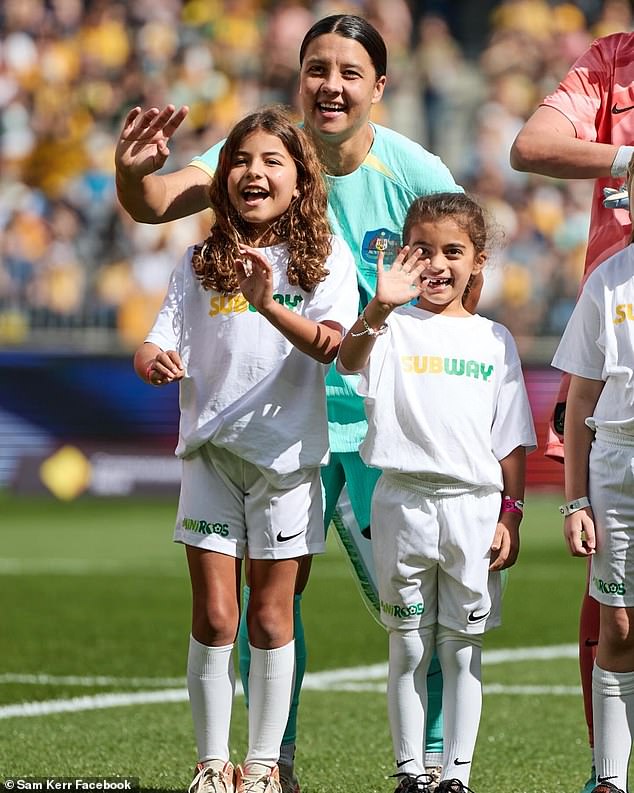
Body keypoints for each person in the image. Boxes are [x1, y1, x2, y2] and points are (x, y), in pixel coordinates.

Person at [116, 14, 464, 790]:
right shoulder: (254, 154)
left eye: (348, 71)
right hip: (287, 425)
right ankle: (275, 763)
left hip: (383, 420)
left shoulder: (416, 170)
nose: (331, 85)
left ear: (380, 85)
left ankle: (436, 762)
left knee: (413, 600)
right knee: (276, 603)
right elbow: (154, 200)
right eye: (317, 69)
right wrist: (136, 172)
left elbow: (463, 269)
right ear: (298, 78)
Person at [133, 105, 359, 793]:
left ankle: (260, 766)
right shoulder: (200, 260)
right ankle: (210, 765)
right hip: (209, 455)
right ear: (224, 175)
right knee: (215, 613)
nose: (252, 172)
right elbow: (154, 340)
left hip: (286, 462)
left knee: (268, 612)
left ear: (300, 180)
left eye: (271, 161)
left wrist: (268, 304)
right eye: (240, 160)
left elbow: (336, 345)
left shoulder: (325, 260)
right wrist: (152, 360)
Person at [337, 192, 537, 793]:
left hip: (474, 508)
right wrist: (377, 306)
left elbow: (512, 442)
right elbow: (348, 361)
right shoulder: (390, 326)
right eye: (423, 250)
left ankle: (457, 776)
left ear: (479, 261)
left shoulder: (494, 340)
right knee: (407, 646)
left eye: (454, 251)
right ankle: (409, 772)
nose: (438, 264)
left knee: (461, 649)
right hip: (401, 500)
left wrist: (512, 512)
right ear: (404, 255)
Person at [509, 31, 634, 793]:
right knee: (610, 591)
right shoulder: (611, 59)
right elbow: (532, 145)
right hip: (614, 334)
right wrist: (625, 158)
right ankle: (607, 773)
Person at [551, 156, 634, 793]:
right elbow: (579, 400)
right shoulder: (609, 280)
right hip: (617, 466)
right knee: (620, 625)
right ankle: (608, 779)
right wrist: (573, 500)